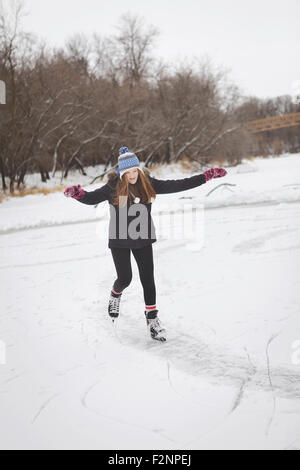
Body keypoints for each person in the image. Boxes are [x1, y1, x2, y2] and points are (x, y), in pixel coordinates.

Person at [64, 147, 227, 342]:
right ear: (122, 173)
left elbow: (179, 184)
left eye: (135, 171)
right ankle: (115, 295)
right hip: (119, 239)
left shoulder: (148, 184)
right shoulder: (113, 187)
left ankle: (152, 320)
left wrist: (206, 177)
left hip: (143, 237)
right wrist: (78, 194)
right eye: (128, 172)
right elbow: (91, 199)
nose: (132, 175)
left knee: (148, 278)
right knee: (125, 278)